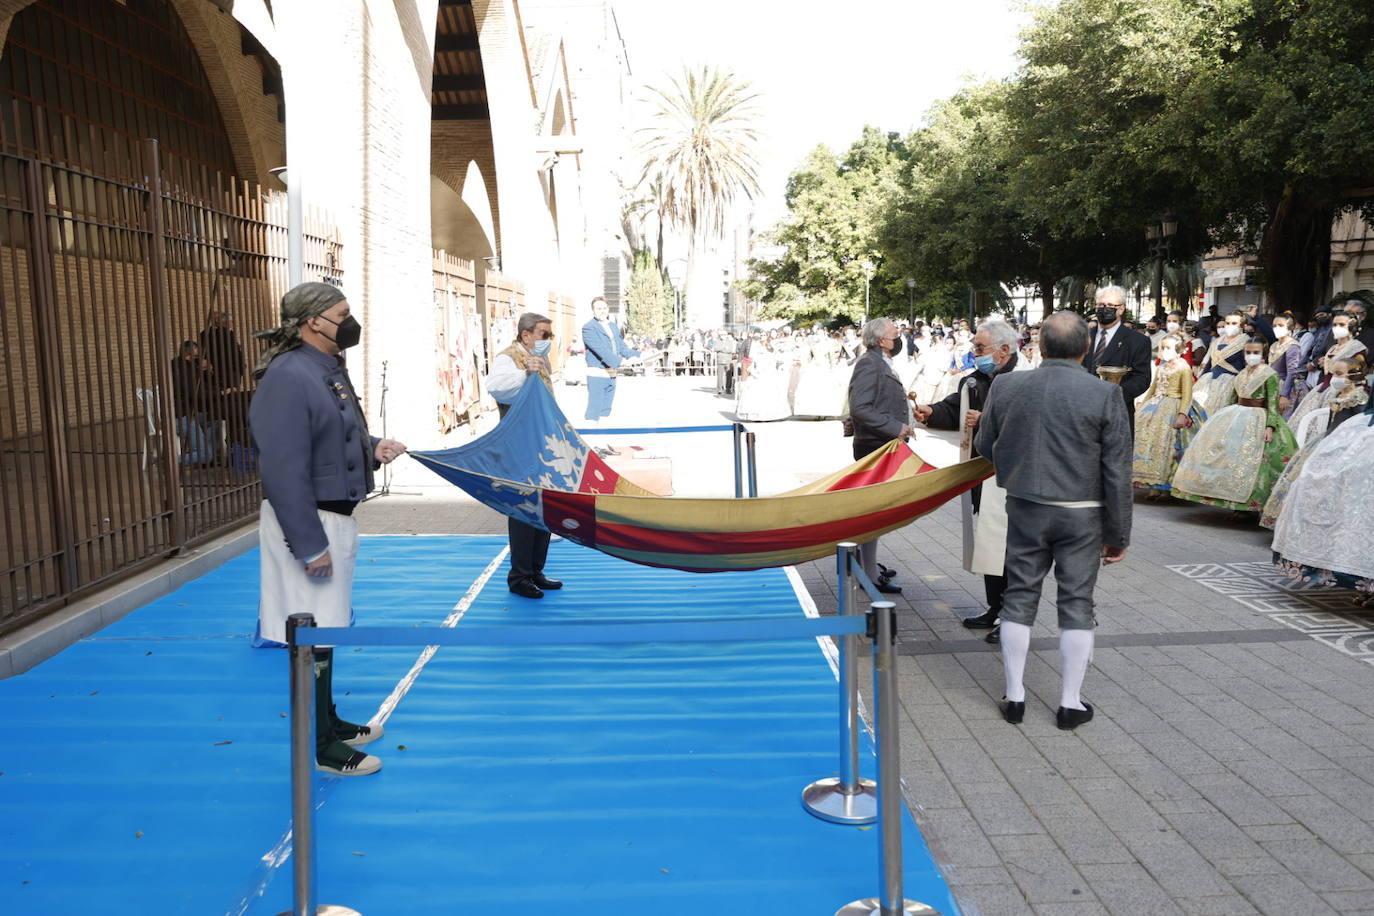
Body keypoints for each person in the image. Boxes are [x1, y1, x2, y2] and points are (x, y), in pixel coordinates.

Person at [250, 282, 407, 776]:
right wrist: (310, 545)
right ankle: (321, 746)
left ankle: (328, 720)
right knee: (312, 634)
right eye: (341, 313)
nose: (349, 320)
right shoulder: (288, 375)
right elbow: (282, 467)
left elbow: (334, 433)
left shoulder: (324, 367)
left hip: (331, 516)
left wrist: (373, 446)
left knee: (328, 626)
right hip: (308, 523)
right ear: (313, 321)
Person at [974, 311, 1132, 730]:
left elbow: (985, 445)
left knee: (1019, 596)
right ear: (1086, 349)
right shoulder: (1104, 394)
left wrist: (1017, 468)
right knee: (1077, 602)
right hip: (1083, 514)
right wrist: (1118, 534)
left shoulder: (1006, 385)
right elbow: (1117, 469)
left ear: (1040, 346)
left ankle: (1015, 696)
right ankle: (1069, 702)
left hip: (1025, 505)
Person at [913, 320, 1020, 634]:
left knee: (1012, 550)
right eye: (974, 347)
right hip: (981, 472)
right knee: (989, 543)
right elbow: (955, 409)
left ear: (1003, 350)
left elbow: (1029, 419)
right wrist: (932, 412)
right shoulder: (973, 382)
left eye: (980, 348)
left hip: (1014, 476)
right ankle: (995, 607)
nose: (975, 354)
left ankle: (1013, 616)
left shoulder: (1024, 378)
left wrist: (987, 418)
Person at [485, 312, 565, 599]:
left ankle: (534, 570)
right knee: (522, 508)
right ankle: (519, 576)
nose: (548, 340)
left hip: (541, 442)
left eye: (550, 335)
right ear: (526, 334)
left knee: (543, 506)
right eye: (544, 334)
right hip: (519, 444)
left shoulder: (539, 360)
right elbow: (497, 387)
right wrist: (525, 373)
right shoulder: (509, 359)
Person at [1172, 337, 1298, 516]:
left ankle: (1249, 507)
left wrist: (1270, 427)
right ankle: (1229, 500)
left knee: (1255, 461)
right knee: (1230, 457)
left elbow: (1272, 404)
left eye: (1256, 353)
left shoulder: (1269, 374)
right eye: (1248, 353)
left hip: (1258, 419)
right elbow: (1233, 398)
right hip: (1237, 415)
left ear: (1263, 353)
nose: (1251, 356)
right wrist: (1222, 420)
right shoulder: (1241, 374)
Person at [846, 318, 910, 595]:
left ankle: (867, 567)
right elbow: (860, 407)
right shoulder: (869, 363)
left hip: (881, 443)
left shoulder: (878, 361)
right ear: (882, 340)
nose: (898, 339)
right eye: (895, 335)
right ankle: (866, 573)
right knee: (872, 513)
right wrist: (896, 427)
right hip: (875, 445)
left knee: (876, 513)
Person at [1132, 334, 1205, 496]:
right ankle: (1152, 485)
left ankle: (1165, 487)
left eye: (1168, 348)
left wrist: (1182, 414)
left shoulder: (1183, 367)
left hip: (1174, 405)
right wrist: (1143, 406)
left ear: (1178, 350)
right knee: (1148, 443)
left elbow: (1187, 394)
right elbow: (1153, 389)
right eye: (1162, 348)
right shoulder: (1162, 366)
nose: (1164, 351)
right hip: (1154, 407)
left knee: (1168, 446)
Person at [1082, 286, 1152, 435]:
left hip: (1117, 415)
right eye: (1101, 305)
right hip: (1082, 413)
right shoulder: (1082, 337)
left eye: (1110, 305)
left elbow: (1142, 378)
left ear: (1121, 309)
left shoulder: (1138, 341)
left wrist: (1115, 394)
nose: (1104, 308)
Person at [581, 297, 640, 423]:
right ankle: (591, 441)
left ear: (608, 309)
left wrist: (637, 355)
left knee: (606, 412)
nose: (602, 311)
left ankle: (603, 439)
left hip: (612, 374)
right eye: (598, 308)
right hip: (597, 374)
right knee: (594, 413)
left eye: (604, 308)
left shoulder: (613, 326)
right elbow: (601, 350)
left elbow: (621, 347)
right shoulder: (588, 328)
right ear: (593, 311)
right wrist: (621, 362)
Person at [170, 340, 213, 466]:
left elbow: (201, 386)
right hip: (182, 417)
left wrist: (205, 371)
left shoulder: (185, 365)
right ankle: (173, 462)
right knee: (206, 455)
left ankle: (200, 449)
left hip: (185, 414)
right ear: (187, 353)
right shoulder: (182, 369)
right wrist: (220, 393)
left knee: (214, 420)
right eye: (195, 355)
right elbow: (195, 392)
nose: (197, 358)